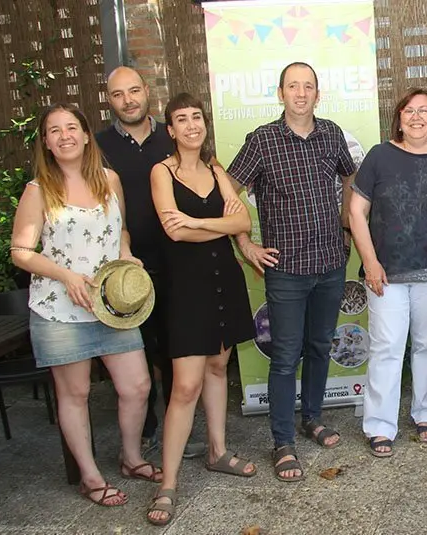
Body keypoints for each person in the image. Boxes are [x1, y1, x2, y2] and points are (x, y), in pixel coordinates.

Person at [10, 103, 160, 506]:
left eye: (71, 127)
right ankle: (90, 477)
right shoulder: (39, 190)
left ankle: (131, 458)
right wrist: (66, 276)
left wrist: (126, 253)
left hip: (112, 305)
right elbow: (21, 251)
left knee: (137, 386)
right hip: (60, 309)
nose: (64, 136)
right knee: (74, 394)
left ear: (86, 134)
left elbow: (121, 231)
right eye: (54, 130)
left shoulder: (110, 180)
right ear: (45, 141)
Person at [228, 62, 356, 482]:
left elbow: (349, 178)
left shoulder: (332, 133)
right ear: (280, 92)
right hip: (286, 270)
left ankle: (312, 418)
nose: (301, 93)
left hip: (330, 264)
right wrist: (245, 243)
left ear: (318, 94)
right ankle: (283, 441)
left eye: (309, 86)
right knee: (285, 357)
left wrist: (346, 224)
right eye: (293, 86)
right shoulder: (262, 141)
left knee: (320, 346)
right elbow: (227, 191)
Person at [145, 93, 257, 525]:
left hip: (223, 281)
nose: (191, 125)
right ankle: (168, 484)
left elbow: (242, 223)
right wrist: (210, 225)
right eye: (181, 119)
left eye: (197, 117)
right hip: (187, 287)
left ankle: (217, 451)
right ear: (170, 130)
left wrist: (197, 222)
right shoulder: (162, 171)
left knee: (217, 366)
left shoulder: (215, 169)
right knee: (184, 386)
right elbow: (173, 232)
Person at [96, 66, 206, 459]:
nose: (128, 100)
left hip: (180, 262)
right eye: (118, 94)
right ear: (109, 101)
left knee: (178, 350)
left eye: (134, 91)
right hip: (127, 273)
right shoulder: (99, 145)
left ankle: (185, 429)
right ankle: (147, 431)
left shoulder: (174, 134)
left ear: (147, 92)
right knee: (138, 355)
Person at [350, 88, 427, 457]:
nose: (416, 118)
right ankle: (380, 424)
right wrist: (370, 261)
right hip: (386, 273)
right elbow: (356, 212)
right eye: (409, 111)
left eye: (424, 111)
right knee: (387, 347)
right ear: (398, 118)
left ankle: (426, 411)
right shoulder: (380, 157)